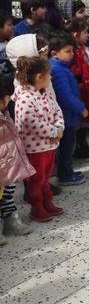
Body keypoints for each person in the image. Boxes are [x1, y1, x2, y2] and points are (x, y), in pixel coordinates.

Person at [13, 56, 65, 222]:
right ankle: (37, 206)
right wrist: (52, 132)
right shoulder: (25, 98)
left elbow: (57, 111)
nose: (51, 77)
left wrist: (59, 128)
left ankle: (47, 201)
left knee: (46, 177)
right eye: (49, 74)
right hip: (34, 149)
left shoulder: (45, 94)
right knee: (36, 180)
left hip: (48, 146)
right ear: (38, 77)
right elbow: (30, 122)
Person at [49, 31, 88, 185]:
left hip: (67, 116)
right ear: (55, 53)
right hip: (65, 116)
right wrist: (81, 108)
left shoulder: (61, 67)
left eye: (72, 50)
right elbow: (65, 96)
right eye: (67, 51)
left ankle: (67, 171)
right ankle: (65, 175)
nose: (71, 54)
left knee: (67, 145)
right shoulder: (57, 70)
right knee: (66, 146)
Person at [0, 73, 34, 240]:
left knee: (8, 194)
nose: (9, 100)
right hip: (3, 166)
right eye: (7, 97)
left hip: (10, 165)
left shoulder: (5, 112)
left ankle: (11, 222)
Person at [67, 18, 89, 160]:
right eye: (84, 32)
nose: (87, 35)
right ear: (75, 34)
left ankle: (82, 142)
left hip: (87, 87)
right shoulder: (71, 51)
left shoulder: (84, 48)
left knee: (86, 116)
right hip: (79, 88)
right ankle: (78, 144)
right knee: (79, 117)